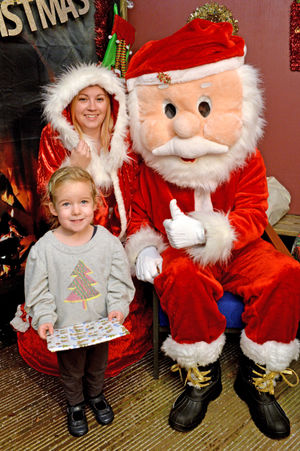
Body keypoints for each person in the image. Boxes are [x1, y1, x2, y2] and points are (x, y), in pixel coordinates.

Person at [124, 18, 300, 439]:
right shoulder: (148, 165)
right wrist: (144, 247)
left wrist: (210, 233)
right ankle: (200, 371)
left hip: (240, 248)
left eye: (203, 109)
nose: (184, 127)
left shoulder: (244, 157)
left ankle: (258, 374)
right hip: (179, 253)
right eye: (169, 111)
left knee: (286, 273)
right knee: (178, 274)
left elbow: (256, 210)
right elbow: (135, 213)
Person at [12, 63, 152, 378]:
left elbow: (137, 188)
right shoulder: (55, 135)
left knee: (117, 328)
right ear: (71, 103)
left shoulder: (122, 136)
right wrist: (73, 165)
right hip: (72, 241)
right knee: (61, 336)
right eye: (83, 99)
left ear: (111, 102)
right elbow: (46, 199)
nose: (92, 107)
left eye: (99, 99)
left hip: (114, 241)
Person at [24, 166, 135, 437]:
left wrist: (118, 309)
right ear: (52, 207)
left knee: (98, 365)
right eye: (66, 204)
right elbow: (38, 291)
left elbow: (119, 280)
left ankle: (96, 395)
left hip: (100, 326)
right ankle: (75, 404)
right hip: (67, 329)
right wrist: (45, 317)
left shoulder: (107, 242)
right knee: (72, 370)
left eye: (83, 202)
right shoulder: (45, 249)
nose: (76, 211)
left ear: (95, 202)